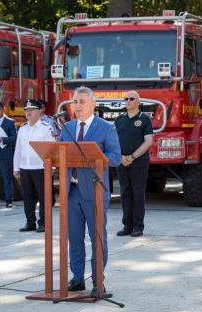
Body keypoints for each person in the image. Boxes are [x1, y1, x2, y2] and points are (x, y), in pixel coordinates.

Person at [59, 86, 121, 292]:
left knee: (97, 238)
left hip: (94, 191)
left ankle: (97, 281)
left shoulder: (106, 128)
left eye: (82, 102)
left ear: (93, 104)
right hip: (71, 192)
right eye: (75, 101)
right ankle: (77, 278)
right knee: (74, 238)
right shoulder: (67, 128)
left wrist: (97, 158)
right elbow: (59, 155)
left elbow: (115, 157)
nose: (77, 105)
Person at [115, 91, 153, 237]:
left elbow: (149, 141)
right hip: (122, 161)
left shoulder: (144, 119)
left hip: (139, 161)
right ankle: (127, 226)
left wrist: (132, 156)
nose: (128, 101)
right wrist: (120, 157)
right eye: (126, 98)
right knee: (125, 192)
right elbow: (114, 141)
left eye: (131, 98)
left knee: (138, 192)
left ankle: (138, 226)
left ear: (138, 102)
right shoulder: (119, 119)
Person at [13, 99, 55, 233]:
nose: (28, 113)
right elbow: (18, 149)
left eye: (31, 110)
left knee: (44, 198)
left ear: (39, 111)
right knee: (27, 197)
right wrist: (16, 168)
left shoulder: (46, 128)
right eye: (26, 110)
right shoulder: (22, 129)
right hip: (25, 168)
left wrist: (52, 167)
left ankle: (43, 223)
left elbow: (52, 149)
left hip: (41, 168)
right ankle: (30, 222)